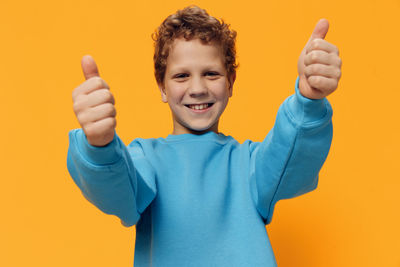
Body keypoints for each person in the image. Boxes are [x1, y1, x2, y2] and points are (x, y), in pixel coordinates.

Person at [67, 5, 342, 267]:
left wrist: (308, 99)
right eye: (181, 76)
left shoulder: (250, 164)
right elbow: (117, 194)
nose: (197, 88)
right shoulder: (145, 159)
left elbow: (293, 156)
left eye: (211, 74)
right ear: (161, 86)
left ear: (230, 81)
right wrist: (100, 144)